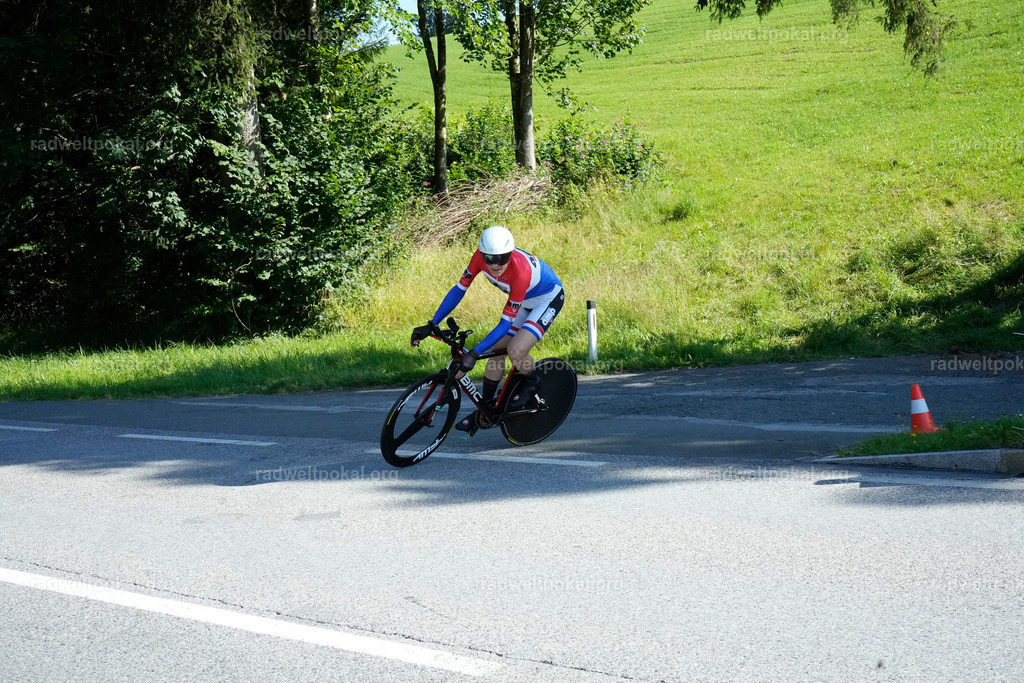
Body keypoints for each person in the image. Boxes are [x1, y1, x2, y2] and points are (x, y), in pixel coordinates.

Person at [410, 225, 565, 433]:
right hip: (523, 299)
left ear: (510, 253)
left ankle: (533, 382)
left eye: (503, 258)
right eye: (490, 258)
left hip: (547, 298)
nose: (496, 264)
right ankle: (487, 408)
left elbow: (504, 323)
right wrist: (432, 324)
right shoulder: (478, 259)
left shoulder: (520, 271)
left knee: (516, 350)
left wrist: (474, 353)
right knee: (497, 350)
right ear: (483, 254)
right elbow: (459, 290)